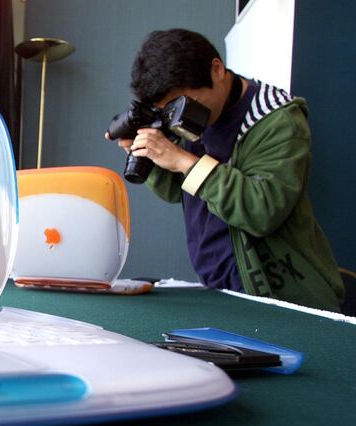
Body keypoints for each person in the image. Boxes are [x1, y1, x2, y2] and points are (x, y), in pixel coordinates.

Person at [112, 28, 345, 312]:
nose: (179, 115)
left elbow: (262, 211)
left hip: (284, 299)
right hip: (220, 290)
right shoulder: (190, 113)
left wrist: (183, 160)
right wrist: (150, 156)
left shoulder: (278, 120)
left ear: (217, 69)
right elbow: (180, 191)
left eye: (184, 103)